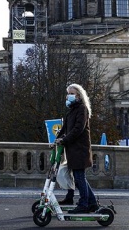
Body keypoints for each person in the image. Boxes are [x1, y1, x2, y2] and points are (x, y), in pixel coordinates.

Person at [54, 83, 98, 214]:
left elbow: (78, 129)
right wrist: (56, 139)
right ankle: (91, 203)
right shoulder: (72, 110)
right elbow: (64, 129)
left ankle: (84, 204)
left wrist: (64, 140)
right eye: (68, 93)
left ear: (78, 95)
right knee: (76, 177)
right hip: (72, 149)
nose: (69, 96)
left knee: (79, 177)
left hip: (80, 149)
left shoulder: (82, 109)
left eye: (72, 93)